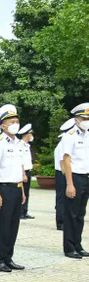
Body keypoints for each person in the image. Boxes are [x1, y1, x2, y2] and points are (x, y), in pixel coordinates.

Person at [0, 104, 28, 272]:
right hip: (4, 189)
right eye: (11, 121)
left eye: (16, 121)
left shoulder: (18, 143)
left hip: (17, 188)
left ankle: (8, 257)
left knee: (13, 225)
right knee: (2, 225)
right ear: (3, 125)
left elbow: (19, 167)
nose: (15, 124)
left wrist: (23, 190)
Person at [59, 103, 89, 258]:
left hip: (86, 177)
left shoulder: (87, 134)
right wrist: (70, 183)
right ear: (76, 119)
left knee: (80, 214)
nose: (86, 121)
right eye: (84, 118)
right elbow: (66, 160)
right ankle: (70, 247)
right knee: (71, 214)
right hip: (74, 177)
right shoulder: (69, 136)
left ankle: (78, 244)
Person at [54, 119, 76, 231]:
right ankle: (61, 222)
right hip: (62, 173)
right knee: (61, 199)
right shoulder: (63, 143)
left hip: (64, 172)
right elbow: (63, 161)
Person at [19, 124, 35, 220]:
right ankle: (20, 211)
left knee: (27, 192)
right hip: (23, 172)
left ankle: (25, 211)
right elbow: (20, 160)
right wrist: (23, 174)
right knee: (22, 192)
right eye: (30, 134)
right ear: (27, 134)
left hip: (28, 171)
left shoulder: (27, 145)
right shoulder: (20, 145)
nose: (32, 136)